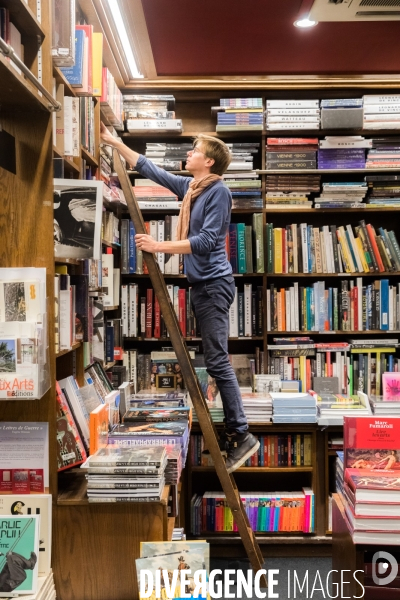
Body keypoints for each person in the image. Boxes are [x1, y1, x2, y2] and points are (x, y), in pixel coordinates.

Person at [100, 123, 259, 473]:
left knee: (217, 362)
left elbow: (206, 241)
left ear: (210, 162)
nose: (188, 154)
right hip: (204, 286)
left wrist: (158, 246)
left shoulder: (218, 193)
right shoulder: (192, 189)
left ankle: (242, 434)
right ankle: (239, 433)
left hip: (214, 284)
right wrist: (115, 143)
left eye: (194, 150)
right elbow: (150, 169)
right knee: (213, 359)